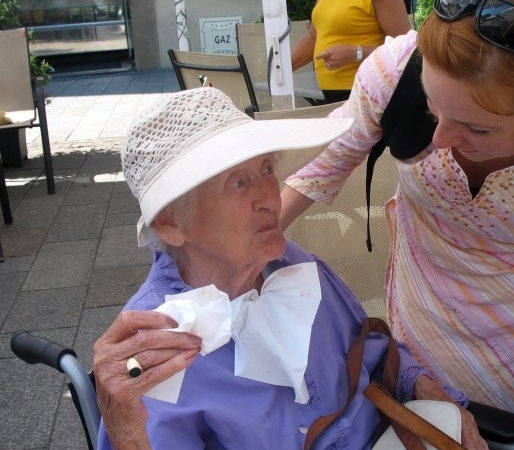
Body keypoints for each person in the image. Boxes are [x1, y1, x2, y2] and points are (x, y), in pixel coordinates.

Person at [280, 0, 514, 448]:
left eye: (478, 129)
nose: (440, 140)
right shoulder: (395, 70)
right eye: (433, 109)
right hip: (422, 319)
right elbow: (317, 173)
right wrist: (202, 273)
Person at [92, 87, 488, 450]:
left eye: (266, 169)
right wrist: (125, 430)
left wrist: (427, 389)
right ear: (171, 224)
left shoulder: (294, 264)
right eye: (237, 183)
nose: (269, 196)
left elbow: (369, 350)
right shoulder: (152, 353)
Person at [290, 0, 412, 103]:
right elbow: (314, 36)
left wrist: (357, 53)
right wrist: (281, 67)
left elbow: (405, 48)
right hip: (330, 95)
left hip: (367, 94)